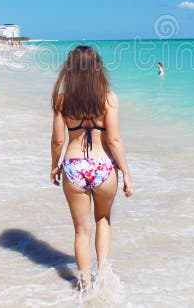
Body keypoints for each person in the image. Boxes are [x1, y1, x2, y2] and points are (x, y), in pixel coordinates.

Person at [50, 45, 133, 292]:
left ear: (71, 69)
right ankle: (103, 278)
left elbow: (57, 141)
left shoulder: (62, 100)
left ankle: (85, 286)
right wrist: (127, 173)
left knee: (81, 230)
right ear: (98, 68)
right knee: (103, 220)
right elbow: (114, 140)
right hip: (103, 167)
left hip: (74, 167)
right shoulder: (109, 99)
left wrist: (55, 166)